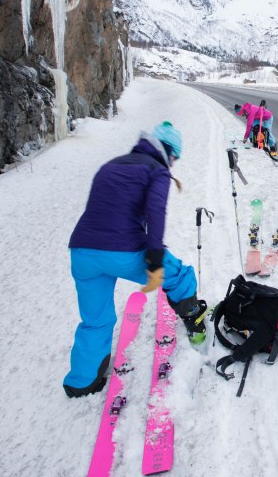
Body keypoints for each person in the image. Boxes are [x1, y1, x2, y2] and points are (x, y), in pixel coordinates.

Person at [63, 121, 208, 398]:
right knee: (180, 274)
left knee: (95, 319)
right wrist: (154, 257)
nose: (174, 163)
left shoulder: (112, 164)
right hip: (123, 251)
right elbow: (156, 212)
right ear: (168, 152)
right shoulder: (157, 170)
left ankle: (81, 383)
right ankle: (194, 320)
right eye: (175, 157)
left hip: (82, 252)